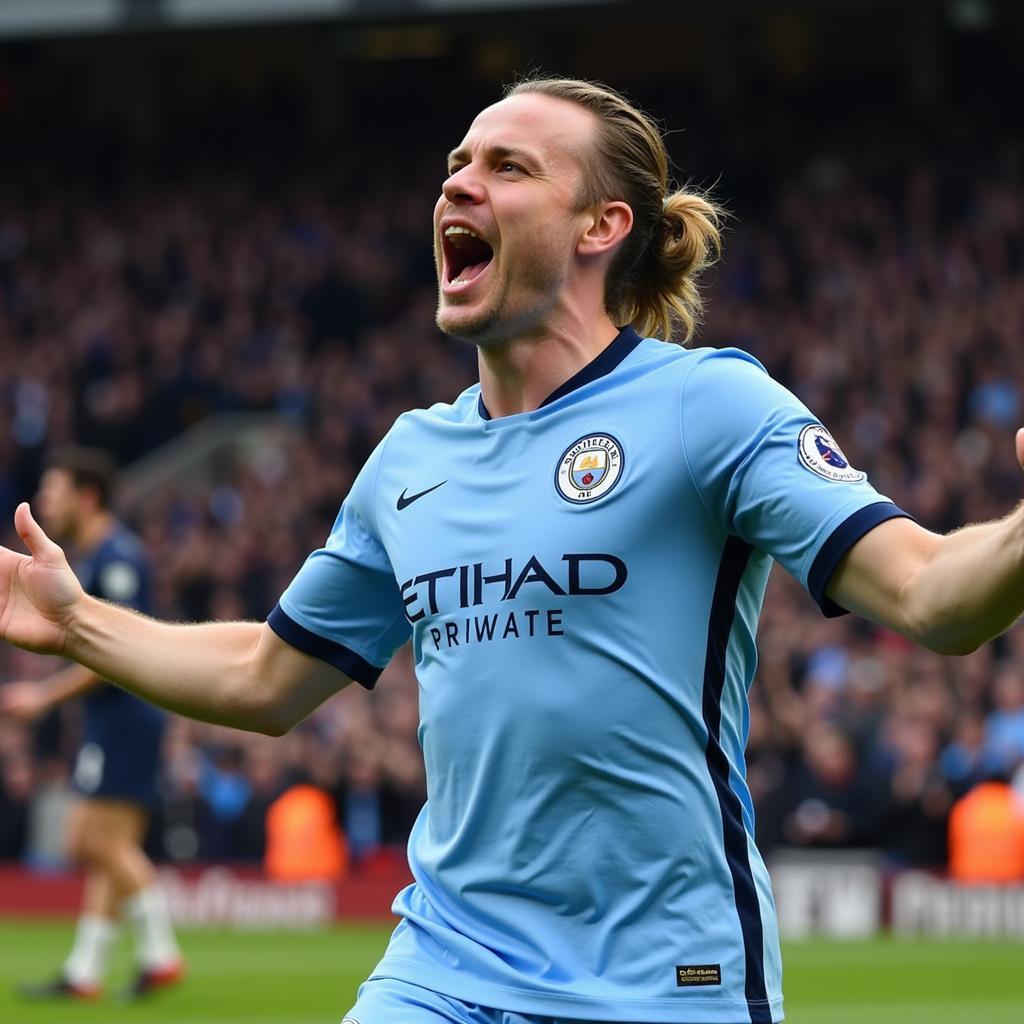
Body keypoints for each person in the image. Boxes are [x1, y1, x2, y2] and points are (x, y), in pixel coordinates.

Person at [1, 75, 1023, 1023]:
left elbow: (935, 594)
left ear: (601, 226)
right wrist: (80, 622)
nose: (460, 181)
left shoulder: (704, 404)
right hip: (443, 962)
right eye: (457, 162)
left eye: (507, 166)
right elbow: (267, 676)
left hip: (663, 973)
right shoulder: (409, 458)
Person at [0, 447, 184, 1000]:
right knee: (109, 848)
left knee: (85, 838)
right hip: (122, 717)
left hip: (126, 715)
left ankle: (163, 952)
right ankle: (85, 971)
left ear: (89, 495)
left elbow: (113, 655)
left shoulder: (118, 559)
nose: (46, 502)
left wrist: (45, 696)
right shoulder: (98, 557)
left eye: (54, 491)